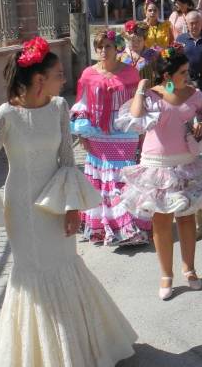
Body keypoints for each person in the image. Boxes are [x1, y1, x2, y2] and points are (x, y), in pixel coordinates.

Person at [0, 37, 137, 366]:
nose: (65, 79)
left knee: (65, 266)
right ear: (40, 80)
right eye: (59, 74)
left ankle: (80, 350)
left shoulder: (59, 108)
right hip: (23, 210)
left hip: (57, 204)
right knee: (33, 273)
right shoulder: (5, 114)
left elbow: (68, 163)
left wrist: (72, 208)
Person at [116, 46, 202, 300]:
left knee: (186, 218)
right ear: (168, 75)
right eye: (183, 72)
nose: (188, 75)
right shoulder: (152, 95)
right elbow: (134, 116)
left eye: (187, 71)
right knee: (161, 221)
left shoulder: (195, 94)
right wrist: (142, 87)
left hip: (186, 162)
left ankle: (190, 268)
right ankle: (166, 275)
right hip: (156, 166)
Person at [71, 30, 150, 246]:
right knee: (101, 181)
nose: (103, 51)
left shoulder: (131, 73)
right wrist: (82, 133)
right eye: (99, 47)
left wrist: (142, 133)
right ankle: (102, 227)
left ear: (117, 49)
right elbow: (82, 103)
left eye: (108, 46)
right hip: (97, 135)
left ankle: (128, 229)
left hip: (125, 133)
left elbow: (138, 105)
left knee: (121, 180)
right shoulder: (87, 74)